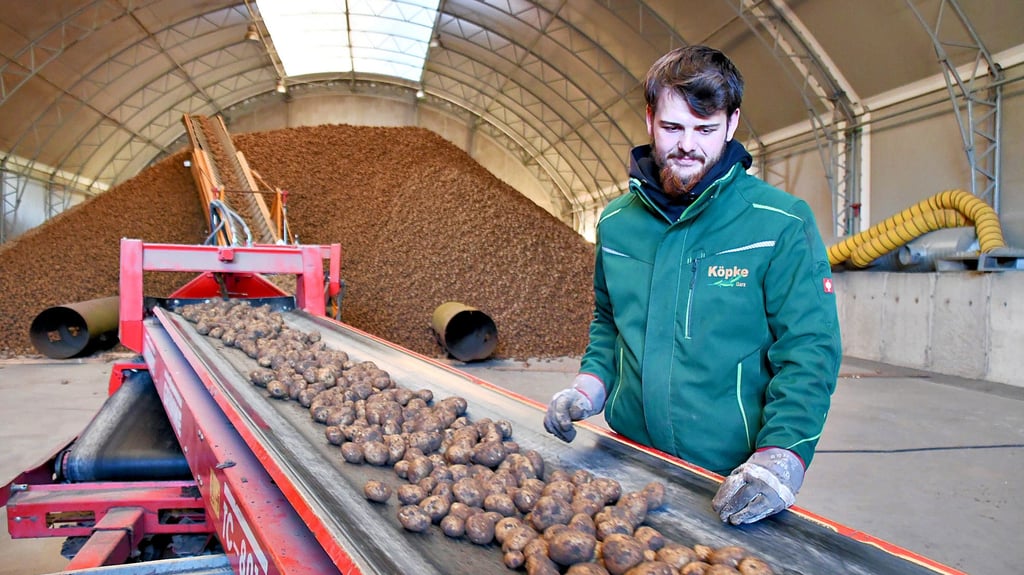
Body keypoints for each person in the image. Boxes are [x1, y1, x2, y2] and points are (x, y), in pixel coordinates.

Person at [543, 45, 842, 525]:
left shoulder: (780, 223)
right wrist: (590, 387)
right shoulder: (618, 223)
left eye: (705, 129)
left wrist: (782, 456)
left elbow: (809, 350)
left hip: (728, 475)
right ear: (649, 119)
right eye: (672, 127)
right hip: (626, 456)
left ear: (732, 123)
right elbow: (609, 320)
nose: (687, 145)